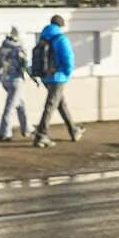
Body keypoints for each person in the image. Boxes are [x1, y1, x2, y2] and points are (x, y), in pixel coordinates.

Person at [31, 14, 83, 148]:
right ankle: (41, 135)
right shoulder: (61, 38)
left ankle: (74, 130)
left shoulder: (43, 37)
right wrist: (66, 73)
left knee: (60, 104)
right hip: (57, 77)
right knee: (51, 105)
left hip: (45, 76)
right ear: (61, 25)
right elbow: (68, 58)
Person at [0, 26, 37, 141]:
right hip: (16, 80)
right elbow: (26, 65)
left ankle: (26, 127)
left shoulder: (3, 47)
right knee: (11, 106)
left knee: (20, 104)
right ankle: (4, 132)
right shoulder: (19, 49)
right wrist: (34, 77)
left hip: (5, 80)